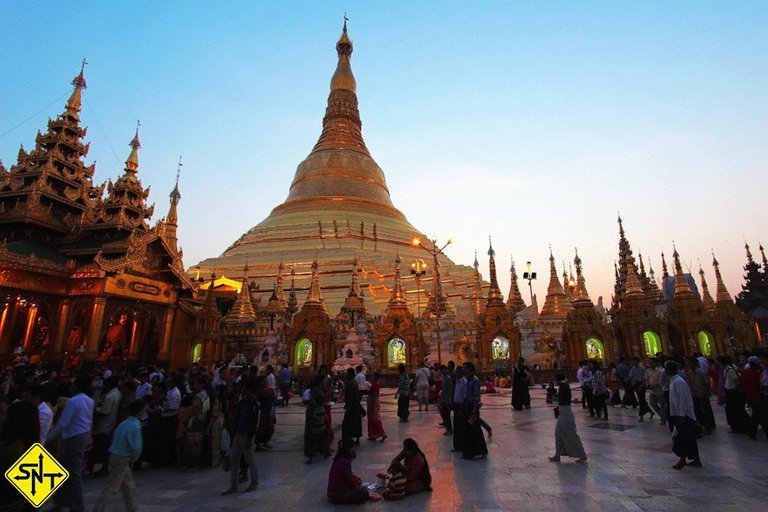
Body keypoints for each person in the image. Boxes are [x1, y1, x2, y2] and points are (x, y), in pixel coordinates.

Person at [47, 376, 94, 512]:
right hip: (82, 435)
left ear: (77, 387)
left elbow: (62, 423)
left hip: (73, 437)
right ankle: (62, 501)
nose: (71, 387)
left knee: (73, 473)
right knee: (66, 469)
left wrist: (48, 438)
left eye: (73, 385)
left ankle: (77, 506)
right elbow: (89, 420)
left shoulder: (73, 402)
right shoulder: (89, 401)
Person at [93, 400, 146, 512]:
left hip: (114, 455)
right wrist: (134, 457)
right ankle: (98, 509)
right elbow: (136, 447)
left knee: (128, 485)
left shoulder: (124, 423)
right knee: (113, 487)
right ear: (140, 411)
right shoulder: (135, 426)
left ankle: (133, 508)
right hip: (122, 457)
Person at [221, 381, 259, 495]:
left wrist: (250, 437)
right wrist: (233, 434)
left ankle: (254, 483)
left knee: (250, 459)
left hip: (247, 434)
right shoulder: (242, 402)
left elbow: (255, 422)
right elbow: (237, 418)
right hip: (238, 433)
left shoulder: (254, 404)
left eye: (244, 387)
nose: (242, 389)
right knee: (234, 459)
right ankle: (233, 485)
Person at [0, 401, 39, 512]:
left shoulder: (10, 449)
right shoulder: (33, 448)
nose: (3, 419)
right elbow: (38, 500)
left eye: (6, 416)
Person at [666, 360, 702, 470]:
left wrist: (681, 415)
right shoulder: (674, 381)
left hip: (684, 415)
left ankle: (682, 460)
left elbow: (683, 399)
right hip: (680, 414)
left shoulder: (678, 381)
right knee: (689, 438)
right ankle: (695, 459)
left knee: (682, 438)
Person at [327, 438, 381, 504]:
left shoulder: (338, 458)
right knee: (363, 491)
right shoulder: (345, 462)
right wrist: (358, 487)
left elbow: (348, 476)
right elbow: (350, 483)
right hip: (338, 495)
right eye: (353, 448)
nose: (354, 450)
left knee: (359, 483)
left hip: (331, 492)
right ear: (348, 449)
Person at [549, 373, 587, 463]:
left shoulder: (564, 386)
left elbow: (564, 399)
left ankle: (582, 455)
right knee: (558, 433)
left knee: (571, 434)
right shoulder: (564, 386)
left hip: (566, 413)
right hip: (563, 412)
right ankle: (557, 455)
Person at [461, 362, 488, 460]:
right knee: (468, 431)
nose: (463, 370)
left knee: (476, 430)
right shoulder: (467, 380)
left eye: (465, 368)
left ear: (470, 369)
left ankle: (483, 451)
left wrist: (473, 412)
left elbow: (476, 397)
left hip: (472, 407)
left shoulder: (474, 380)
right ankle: (470, 452)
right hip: (467, 406)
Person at [304, 392, 329, 464]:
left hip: (316, 428)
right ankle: (327, 452)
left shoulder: (317, 409)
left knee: (312, 443)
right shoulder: (323, 408)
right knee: (321, 441)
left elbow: (314, 418)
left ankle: (310, 458)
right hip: (322, 427)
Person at [341, 368, 363, 446]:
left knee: (346, 424)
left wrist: (348, 405)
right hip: (355, 405)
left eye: (347, 373)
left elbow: (350, 396)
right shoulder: (354, 382)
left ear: (350, 374)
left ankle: (345, 439)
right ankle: (356, 439)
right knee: (356, 422)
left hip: (352, 406)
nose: (346, 375)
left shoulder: (351, 383)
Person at [366, 372, 387, 442]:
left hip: (373, 403)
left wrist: (372, 406)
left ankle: (383, 434)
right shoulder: (374, 385)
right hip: (372, 402)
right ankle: (373, 435)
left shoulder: (374, 385)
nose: (371, 377)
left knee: (375, 419)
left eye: (372, 376)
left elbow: (374, 396)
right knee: (371, 420)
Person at [439, 362, 455, 435]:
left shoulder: (448, 378)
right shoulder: (444, 378)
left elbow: (451, 388)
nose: (442, 372)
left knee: (446, 414)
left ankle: (449, 429)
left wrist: (449, 399)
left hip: (447, 399)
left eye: (443, 370)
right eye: (441, 370)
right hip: (444, 398)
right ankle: (448, 426)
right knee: (443, 413)